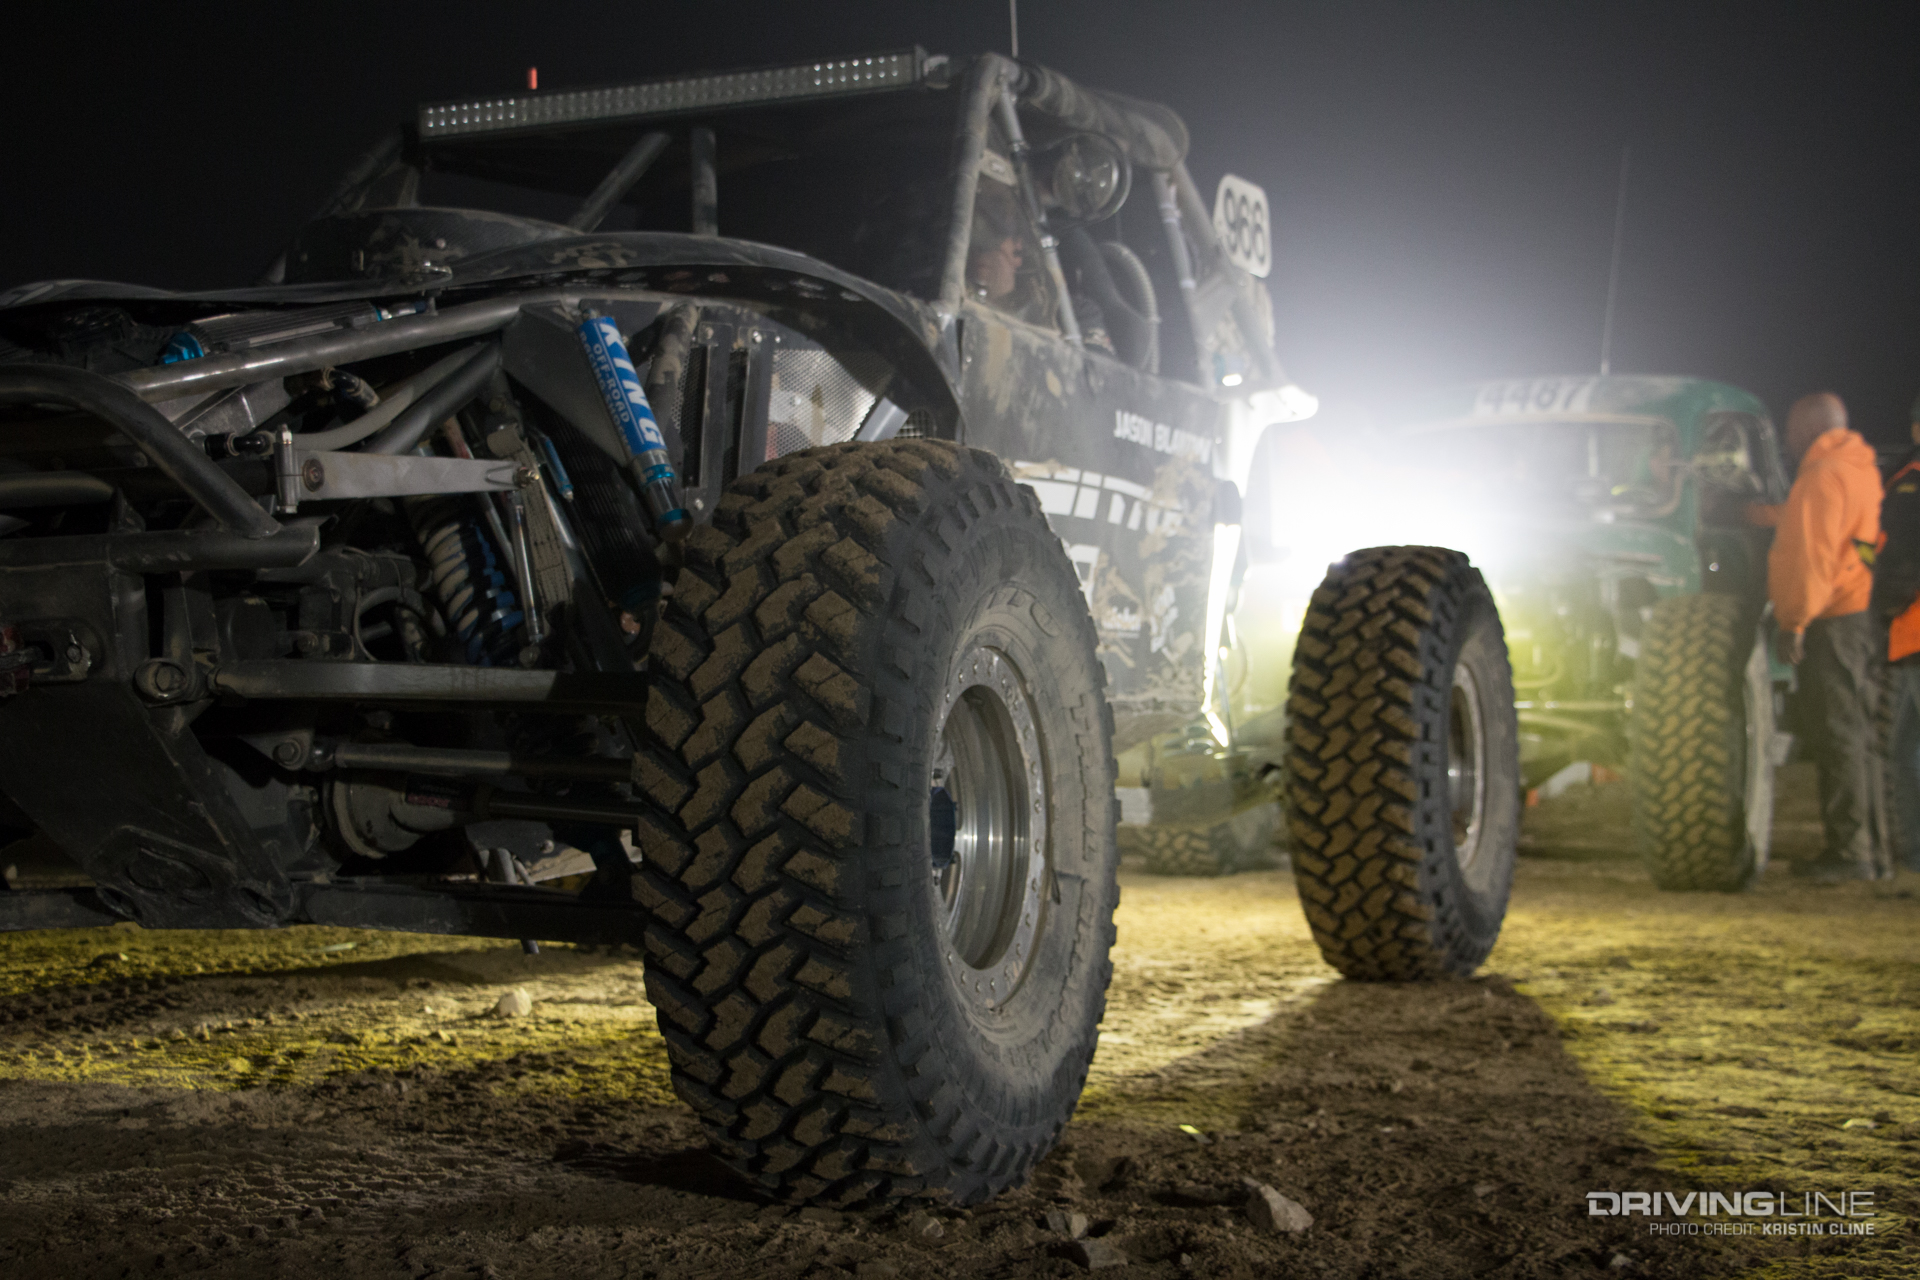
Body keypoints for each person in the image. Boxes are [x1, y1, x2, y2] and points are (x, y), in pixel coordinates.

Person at [1747, 392, 1886, 879]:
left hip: (1830, 619)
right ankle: (1873, 852)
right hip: (1853, 615)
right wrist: (1759, 515)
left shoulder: (1821, 475)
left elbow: (1813, 555)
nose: (1786, 439)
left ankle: (1851, 855)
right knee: (1857, 736)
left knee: (1838, 737)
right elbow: (1818, 526)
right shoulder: (1855, 468)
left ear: (1809, 427)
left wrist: (1795, 623)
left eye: (1789, 428)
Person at [1872, 392, 1920, 873]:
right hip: (1910, 637)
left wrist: (1884, 598)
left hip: (1915, 630)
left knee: (1907, 750)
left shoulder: (1910, 484)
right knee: (1904, 749)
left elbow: (1900, 558)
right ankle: (1914, 854)